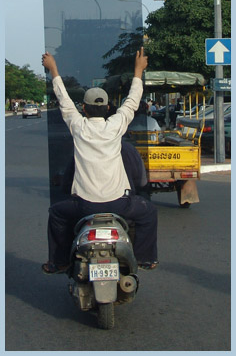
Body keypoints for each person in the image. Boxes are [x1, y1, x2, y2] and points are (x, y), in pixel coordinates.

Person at [41, 48, 158, 274]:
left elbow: (63, 99)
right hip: (119, 204)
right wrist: (138, 70)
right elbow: (132, 101)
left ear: (83, 109)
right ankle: (145, 258)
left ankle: (59, 261)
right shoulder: (115, 126)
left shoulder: (78, 126)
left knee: (56, 213)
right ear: (107, 109)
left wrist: (53, 69)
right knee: (149, 212)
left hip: (83, 205)